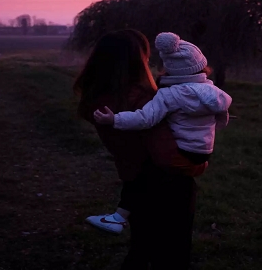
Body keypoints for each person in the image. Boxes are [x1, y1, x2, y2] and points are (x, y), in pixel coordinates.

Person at [74, 29, 204, 269]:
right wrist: (197, 164)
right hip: (168, 186)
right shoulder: (143, 100)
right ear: (137, 60)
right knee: (173, 255)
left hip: (134, 181)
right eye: (145, 56)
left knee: (141, 248)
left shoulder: (97, 97)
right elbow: (167, 156)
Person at [92, 32, 232, 226]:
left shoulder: (168, 95)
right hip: (203, 152)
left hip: (180, 155)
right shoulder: (216, 93)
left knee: (142, 175)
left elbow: (144, 118)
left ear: (168, 69)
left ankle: (119, 217)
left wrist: (115, 119)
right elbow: (221, 116)